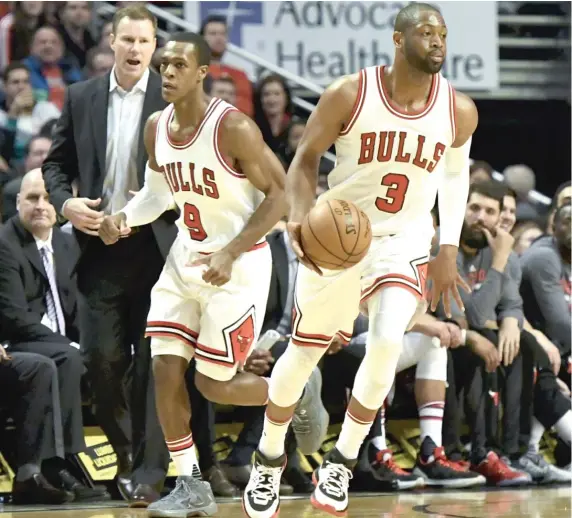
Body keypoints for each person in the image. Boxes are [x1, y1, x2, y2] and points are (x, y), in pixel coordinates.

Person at [243, 3, 478, 517]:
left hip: (403, 238)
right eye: (425, 31)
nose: (437, 41)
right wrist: (301, 220)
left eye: (443, 33)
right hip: (339, 234)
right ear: (398, 39)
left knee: (390, 340)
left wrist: (447, 247)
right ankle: (267, 458)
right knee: (302, 355)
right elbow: (304, 162)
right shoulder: (350, 93)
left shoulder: (458, 110)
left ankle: (343, 461)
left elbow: (456, 178)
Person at [98, 31, 324, 517]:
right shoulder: (155, 126)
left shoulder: (234, 128)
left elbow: (281, 196)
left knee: (212, 384)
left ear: (202, 72)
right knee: (161, 365)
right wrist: (124, 218)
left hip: (240, 265)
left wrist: (230, 252)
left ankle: (293, 388)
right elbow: (157, 194)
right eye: (163, 66)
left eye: (179, 65)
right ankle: (190, 482)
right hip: (186, 259)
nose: (168, 73)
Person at [42, 4, 173, 507]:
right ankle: (124, 455)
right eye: (128, 40)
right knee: (101, 361)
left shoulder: (173, 98)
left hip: (158, 248)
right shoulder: (81, 97)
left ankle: (148, 470)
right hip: (99, 247)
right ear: (112, 42)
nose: (137, 49)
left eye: (145, 41)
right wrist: (65, 203)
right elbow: (56, 167)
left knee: (152, 365)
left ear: (155, 45)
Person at [0, 169, 109, 502]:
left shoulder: (65, 241)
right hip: (18, 340)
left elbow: (78, 306)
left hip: (58, 343)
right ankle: (60, 463)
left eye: (48, 198)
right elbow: (14, 317)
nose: (41, 206)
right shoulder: (5, 244)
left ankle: (120, 462)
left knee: (107, 356)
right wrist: (72, 345)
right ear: (18, 202)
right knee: (66, 357)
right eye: (32, 198)